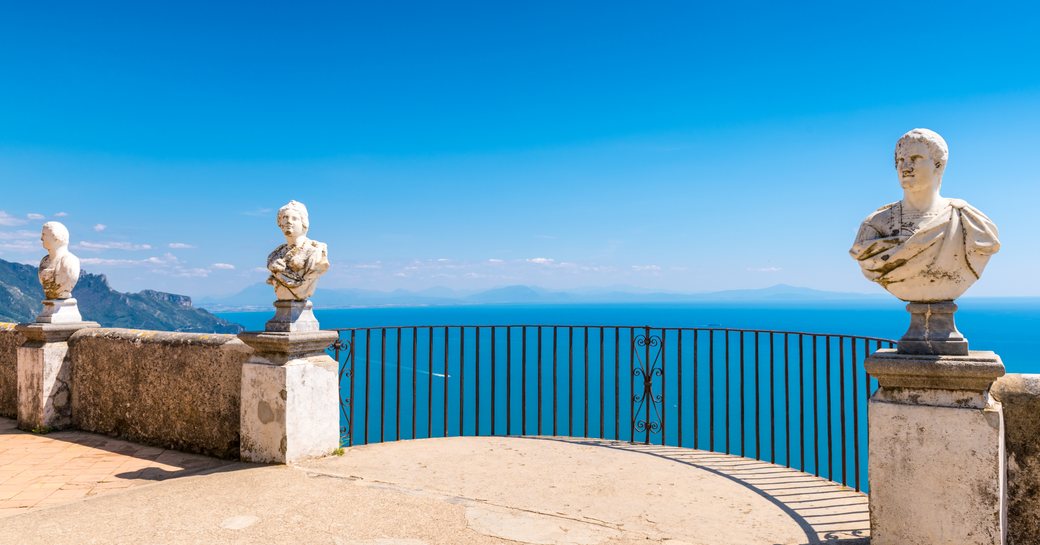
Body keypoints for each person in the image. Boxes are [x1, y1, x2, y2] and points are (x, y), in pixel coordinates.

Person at [849, 129, 999, 302]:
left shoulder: (969, 222)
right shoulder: (875, 225)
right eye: (900, 160)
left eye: (915, 159)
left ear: (938, 164)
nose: (905, 167)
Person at [266, 200, 330, 300]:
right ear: (280, 223)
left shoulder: (315, 251)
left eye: (294, 218)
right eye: (285, 217)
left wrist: (279, 274)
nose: (289, 221)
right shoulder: (275, 255)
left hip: (301, 296)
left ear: (303, 223)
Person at [38, 221, 81, 300]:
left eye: (44, 234)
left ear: (56, 237)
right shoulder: (44, 261)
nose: (41, 238)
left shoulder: (70, 261)